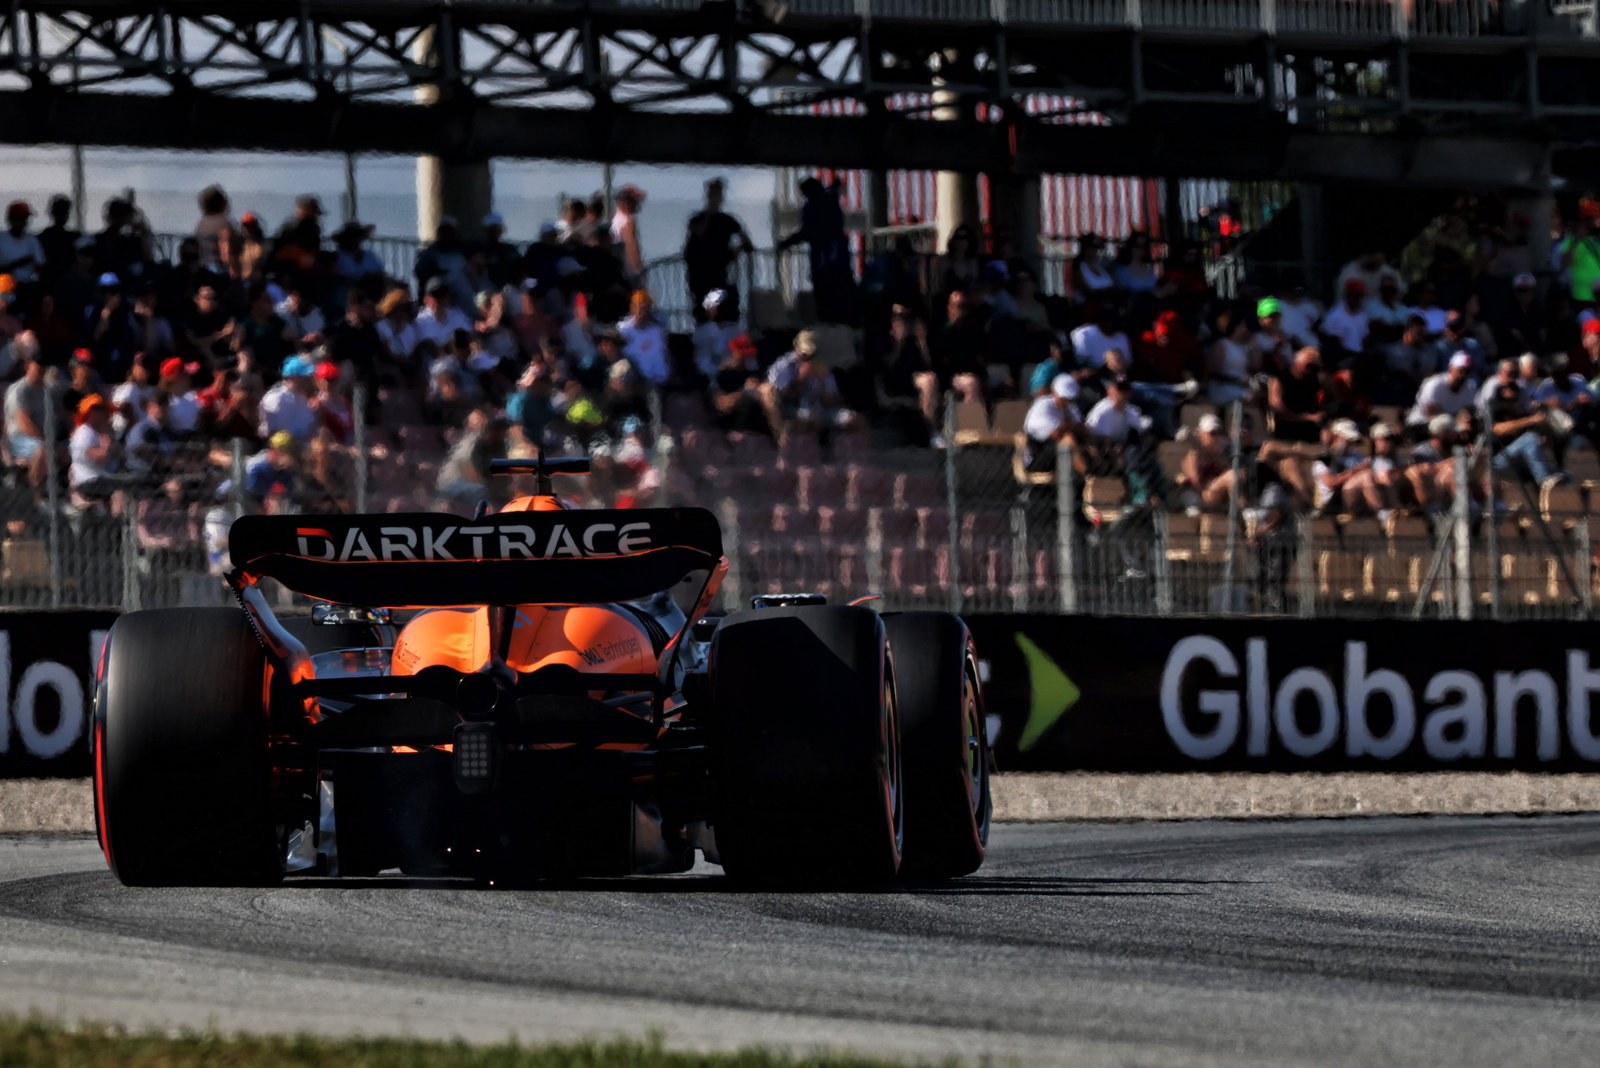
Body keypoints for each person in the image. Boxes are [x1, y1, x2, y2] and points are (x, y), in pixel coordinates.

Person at [778, 177, 854, 324]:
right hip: (840, 262)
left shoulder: (812, 207)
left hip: (823, 264)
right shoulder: (831, 201)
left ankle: (828, 330)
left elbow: (808, 231)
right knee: (844, 303)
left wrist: (785, 243)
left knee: (826, 305)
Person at [762, 329, 859, 443]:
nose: (807, 357)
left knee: (855, 419)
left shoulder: (821, 366)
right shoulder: (784, 366)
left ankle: (859, 457)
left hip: (821, 409)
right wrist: (801, 380)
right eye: (804, 353)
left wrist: (822, 385)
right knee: (811, 419)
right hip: (794, 409)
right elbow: (782, 398)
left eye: (811, 354)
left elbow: (831, 402)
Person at [683, 178, 752, 310]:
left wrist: (735, 252)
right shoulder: (697, 219)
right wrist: (709, 214)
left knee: (721, 308)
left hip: (720, 272)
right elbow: (698, 232)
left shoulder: (727, 221)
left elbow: (747, 243)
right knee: (702, 308)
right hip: (699, 273)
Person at [1021, 372, 1082, 472]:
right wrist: (1070, 425)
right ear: (1054, 392)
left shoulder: (1070, 407)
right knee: (1069, 439)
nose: (1066, 402)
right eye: (1064, 398)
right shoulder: (1042, 406)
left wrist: (1070, 425)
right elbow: (1056, 433)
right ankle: (1087, 474)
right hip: (1038, 457)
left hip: (1058, 456)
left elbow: (1083, 429)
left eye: (1069, 399)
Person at [1407, 352, 1478, 434]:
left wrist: (1466, 420)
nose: (1463, 375)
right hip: (1422, 425)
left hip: (1451, 427)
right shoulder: (1435, 385)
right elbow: (1433, 416)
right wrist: (1458, 424)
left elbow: (1468, 411)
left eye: (1467, 371)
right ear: (1450, 368)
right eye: (1460, 370)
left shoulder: (1470, 387)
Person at [1181, 412, 1238, 514]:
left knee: (1235, 474)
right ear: (1202, 434)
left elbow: (1225, 472)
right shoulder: (1194, 455)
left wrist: (1218, 456)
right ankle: (1240, 512)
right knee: (1231, 475)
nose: (1215, 437)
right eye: (1212, 433)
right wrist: (1204, 495)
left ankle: (1240, 512)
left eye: (1218, 433)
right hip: (1202, 493)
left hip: (1217, 492)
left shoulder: (1222, 453)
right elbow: (1194, 481)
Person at [611, 185, 647, 284]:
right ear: (625, 202)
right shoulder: (628, 220)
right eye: (635, 201)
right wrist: (638, 269)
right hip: (627, 271)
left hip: (615, 267)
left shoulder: (614, 218)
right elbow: (631, 245)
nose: (638, 204)